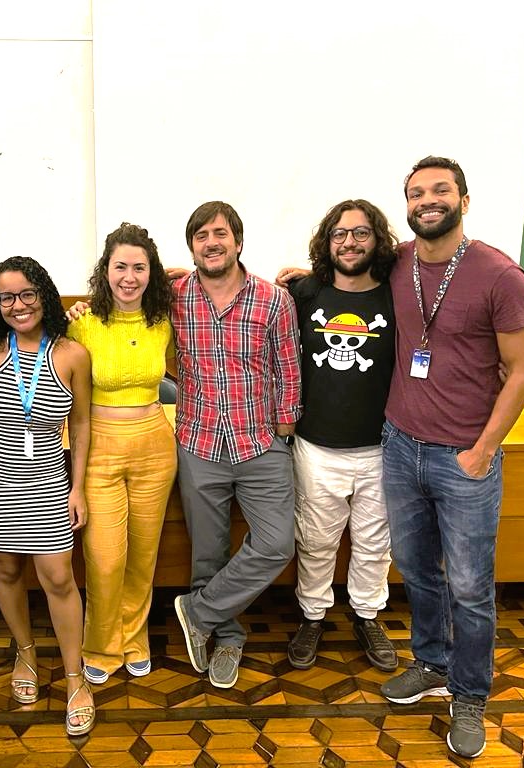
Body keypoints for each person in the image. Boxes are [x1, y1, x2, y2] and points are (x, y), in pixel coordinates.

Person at [379, 157, 524, 759]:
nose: (427, 200)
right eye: (416, 193)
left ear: (464, 200)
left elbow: (523, 371)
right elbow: (337, 260)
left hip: (464, 457)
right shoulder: (396, 262)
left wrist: (484, 451)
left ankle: (469, 694)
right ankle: (432, 662)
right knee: (416, 569)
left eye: (439, 190)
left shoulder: (499, 275)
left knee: (470, 587)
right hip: (400, 447)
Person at [171, 201, 302, 689]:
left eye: (220, 233)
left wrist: (284, 430)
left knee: (276, 543)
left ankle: (198, 612)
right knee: (208, 553)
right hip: (198, 441)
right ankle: (226, 636)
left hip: (260, 442)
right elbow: (118, 301)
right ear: (192, 247)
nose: (211, 242)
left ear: (238, 241)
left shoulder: (272, 299)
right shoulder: (176, 296)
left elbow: (289, 370)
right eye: (201, 234)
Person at [0, 256, 95, 737]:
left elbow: (81, 425)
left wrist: (77, 487)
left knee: (57, 577)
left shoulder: (71, 355)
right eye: (6, 297)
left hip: (47, 480)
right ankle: (24, 653)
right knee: (5, 568)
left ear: (44, 294)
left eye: (27, 294)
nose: (18, 305)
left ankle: (75, 677)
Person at [282, 200, 399, 673]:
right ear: (327, 242)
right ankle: (312, 616)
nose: (349, 242)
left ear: (378, 240)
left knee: (374, 542)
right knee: (315, 538)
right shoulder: (304, 292)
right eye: (339, 234)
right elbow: (238, 289)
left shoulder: (397, 296)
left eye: (361, 233)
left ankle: (368, 615)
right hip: (315, 445)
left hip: (382, 446)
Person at [66, 223, 177, 684]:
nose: (129, 276)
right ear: (105, 271)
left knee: (143, 554)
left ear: (151, 273)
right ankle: (101, 645)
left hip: (155, 445)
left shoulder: (164, 320)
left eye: (139, 267)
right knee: (106, 557)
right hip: (99, 451)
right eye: (120, 267)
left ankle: (135, 639)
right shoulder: (82, 323)